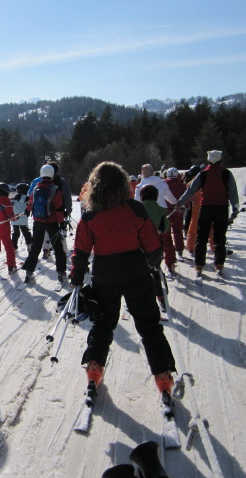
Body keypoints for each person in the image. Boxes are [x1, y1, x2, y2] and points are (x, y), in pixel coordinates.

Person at [69, 161, 176, 395]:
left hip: (104, 274)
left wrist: (77, 276)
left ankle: (94, 368)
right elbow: (151, 242)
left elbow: (81, 250)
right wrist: (154, 260)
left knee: (103, 324)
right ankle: (162, 375)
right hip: (135, 271)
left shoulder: (90, 215)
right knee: (149, 326)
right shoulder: (135, 209)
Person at [175, 150, 240, 282]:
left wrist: (180, 203)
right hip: (222, 208)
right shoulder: (227, 174)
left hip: (206, 208)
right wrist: (235, 208)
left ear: (208, 160)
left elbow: (191, 190)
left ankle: (199, 266)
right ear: (220, 160)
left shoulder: (203, 174)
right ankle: (219, 265)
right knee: (220, 238)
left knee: (202, 238)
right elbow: (233, 192)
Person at [23, 164, 68, 285]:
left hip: (38, 222)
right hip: (52, 222)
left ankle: (29, 272)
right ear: (52, 174)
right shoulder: (55, 189)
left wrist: (27, 211)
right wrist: (61, 223)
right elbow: (59, 209)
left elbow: (30, 203)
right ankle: (61, 273)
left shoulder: (36, 188)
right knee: (58, 248)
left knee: (36, 248)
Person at [135, 164, 177, 276]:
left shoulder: (140, 186)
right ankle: (171, 264)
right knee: (167, 239)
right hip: (162, 211)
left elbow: (136, 203)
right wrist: (176, 204)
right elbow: (170, 197)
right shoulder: (162, 183)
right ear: (153, 172)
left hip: (145, 214)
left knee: (145, 239)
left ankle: (148, 264)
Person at [139, 185, 170, 313]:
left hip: (138, 248)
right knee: (155, 272)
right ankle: (162, 298)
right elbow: (165, 228)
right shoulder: (161, 210)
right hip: (155, 247)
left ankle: (141, 298)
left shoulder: (137, 209)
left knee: (139, 273)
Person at [0, 183, 18, 275]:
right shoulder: (6, 202)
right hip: (3, 229)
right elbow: (11, 217)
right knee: (9, 248)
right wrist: (16, 217)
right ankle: (11, 267)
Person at [164, 168, 187, 261]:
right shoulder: (181, 184)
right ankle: (179, 249)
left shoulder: (164, 184)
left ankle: (168, 251)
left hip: (166, 209)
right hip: (178, 209)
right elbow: (186, 195)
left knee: (167, 231)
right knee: (178, 230)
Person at [10, 182, 33, 253]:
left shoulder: (13, 199)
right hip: (24, 220)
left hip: (15, 219)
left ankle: (14, 248)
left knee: (15, 234)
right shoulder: (29, 199)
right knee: (26, 233)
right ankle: (30, 248)